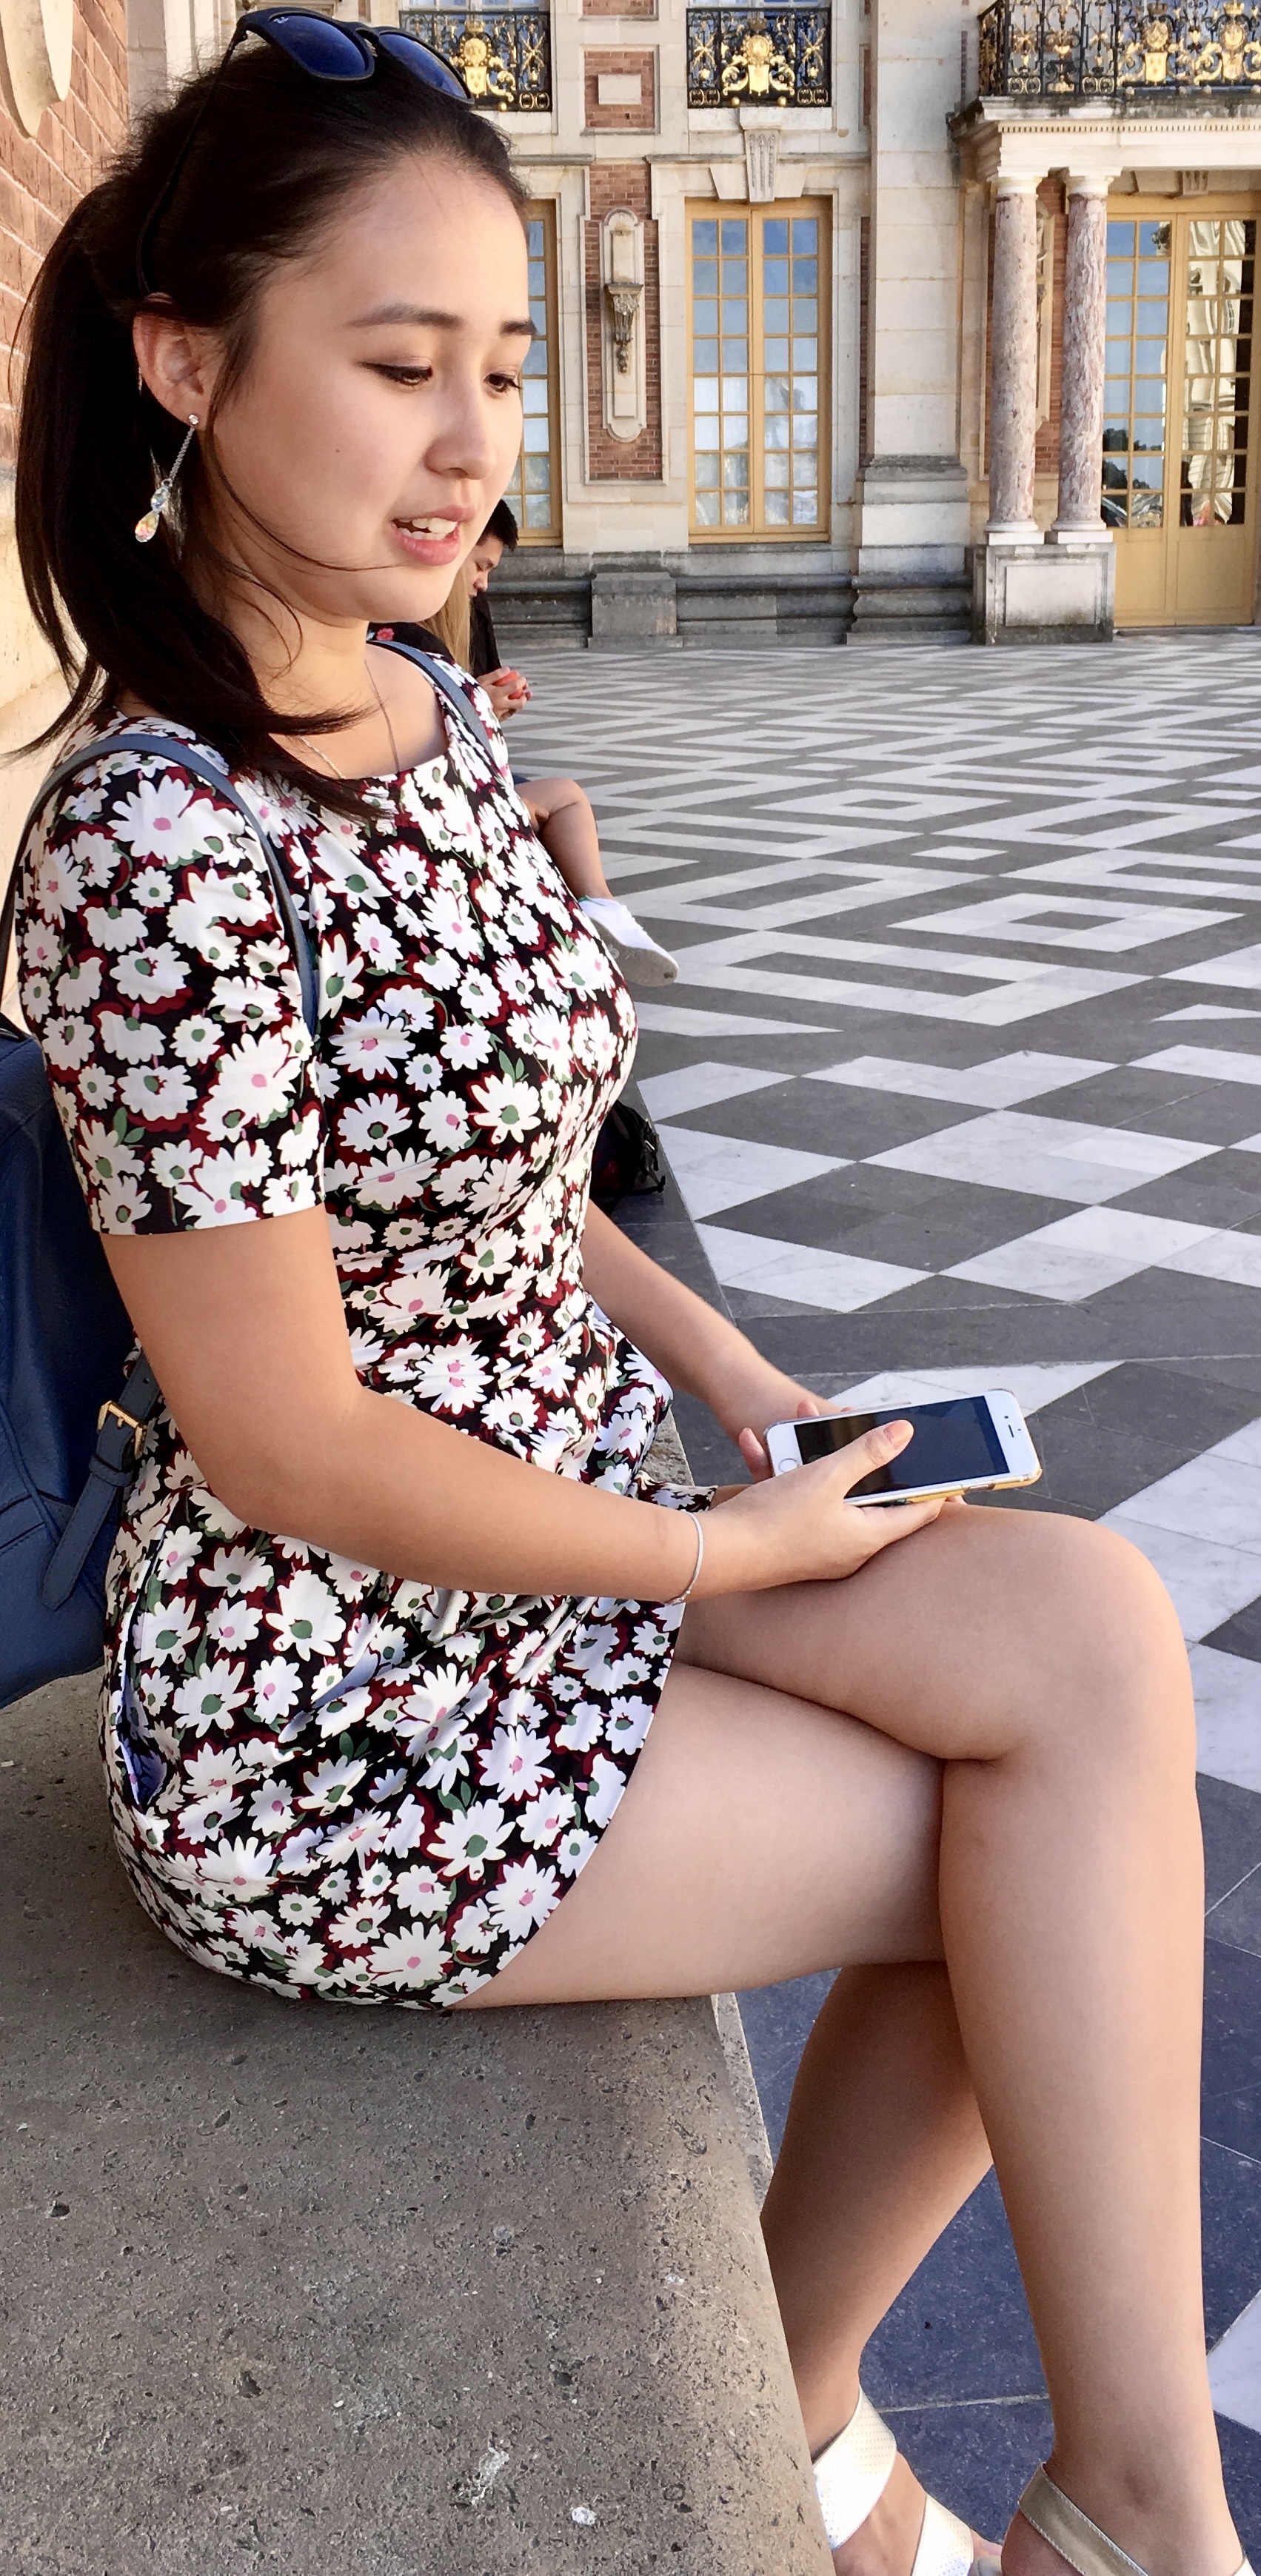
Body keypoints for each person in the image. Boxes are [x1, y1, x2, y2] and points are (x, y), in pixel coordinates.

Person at [11, 25, 1250, 2576]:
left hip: (564, 1522)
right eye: (397, 364)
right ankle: (1080, 2491)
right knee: (1034, 1849)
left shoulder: (419, 697)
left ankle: (972, 2458)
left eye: (497, 365)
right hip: (333, 1699)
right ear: (185, 360)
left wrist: (733, 1374)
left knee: (1091, 1633)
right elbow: (279, 1430)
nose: (470, 442)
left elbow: (485, 1154)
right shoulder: (155, 838)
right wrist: (715, 1551)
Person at [380, 500, 679, 985]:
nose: (483, 584)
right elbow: (420, 743)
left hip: (433, 794)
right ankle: (594, 914)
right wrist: (477, 707)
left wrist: (486, 705)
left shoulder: (440, 624)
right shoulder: (407, 640)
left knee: (555, 798)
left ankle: (592, 915)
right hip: (429, 810)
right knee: (565, 798)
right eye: (480, 566)